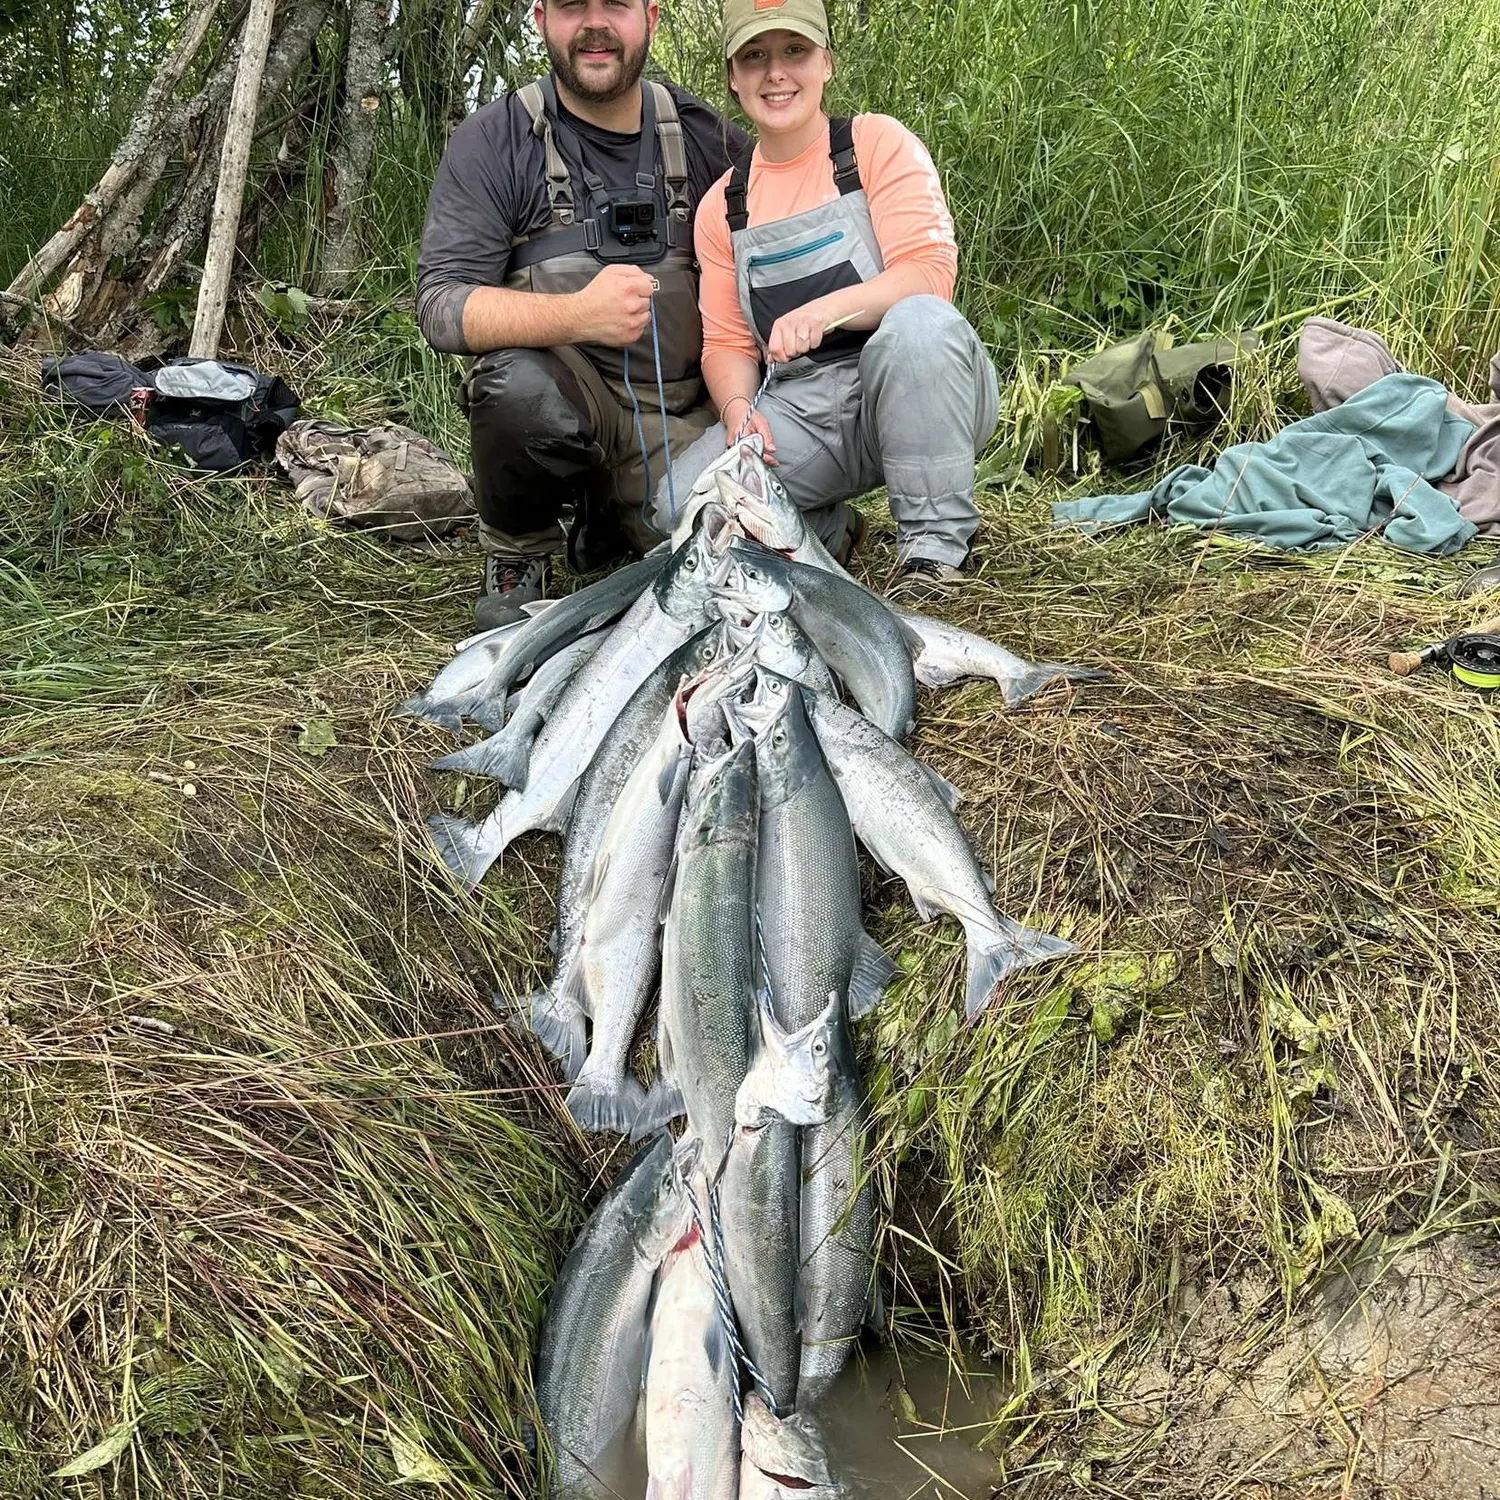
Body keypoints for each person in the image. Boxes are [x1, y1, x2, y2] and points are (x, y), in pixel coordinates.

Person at [417, 0, 749, 627]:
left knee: (801, 548)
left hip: (687, 418)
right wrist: (576, 315)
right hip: (573, 405)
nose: (595, 24)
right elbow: (442, 306)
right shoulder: (494, 140)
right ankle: (520, 553)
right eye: (574, 5)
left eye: (617, 4)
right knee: (514, 384)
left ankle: (620, 520)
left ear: (651, 16)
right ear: (541, 17)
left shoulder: (710, 138)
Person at [660, 0, 999, 599]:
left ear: (827, 63)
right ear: (733, 78)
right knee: (673, 511)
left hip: (916, 387)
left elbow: (928, 275)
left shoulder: (876, 144)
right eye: (755, 57)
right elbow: (729, 343)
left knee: (919, 325)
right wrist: (740, 413)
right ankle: (826, 532)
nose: (776, 73)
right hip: (803, 409)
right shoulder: (721, 206)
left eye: (796, 51)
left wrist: (824, 310)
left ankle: (935, 551)